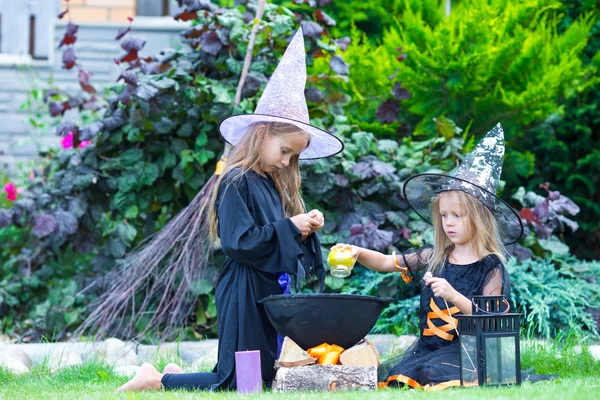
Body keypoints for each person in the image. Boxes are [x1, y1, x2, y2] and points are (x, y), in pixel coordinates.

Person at [116, 28, 343, 392]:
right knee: (238, 381)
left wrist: (302, 228)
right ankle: (156, 380)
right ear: (262, 134)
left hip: (265, 291)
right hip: (244, 291)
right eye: (284, 151)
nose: (287, 162)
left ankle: (171, 372)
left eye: (293, 157)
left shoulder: (268, 182)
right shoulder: (237, 181)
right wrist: (289, 228)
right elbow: (239, 243)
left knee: (262, 377)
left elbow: (274, 237)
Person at [332, 123, 524, 391]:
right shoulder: (436, 256)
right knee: (410, 371)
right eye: (444, 216)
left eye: (458, 216)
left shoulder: (490, 267)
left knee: (435, 371)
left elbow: (488, 320)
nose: (449, 223)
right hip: (428, 348)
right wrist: (358, 252)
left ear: (479, 220)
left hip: (467, 351)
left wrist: (454, 295)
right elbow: (388, 263)